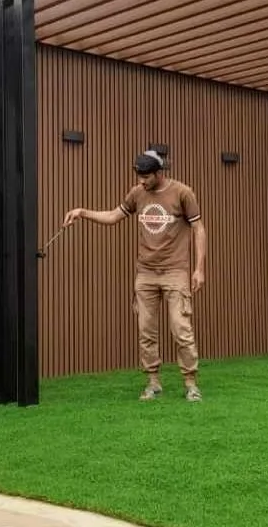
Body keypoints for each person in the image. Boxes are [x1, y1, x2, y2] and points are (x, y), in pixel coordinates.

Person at [63, 149, 207, 402]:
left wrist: (199, 269)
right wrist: (82, 212)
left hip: (175, 271)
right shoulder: (137, 193)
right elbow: (113, 216)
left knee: (181, 329)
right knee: (146, 331)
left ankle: (190, 384)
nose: (141, 181)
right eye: (139, 176)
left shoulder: (183, 192)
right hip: (145, 273)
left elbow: (198, 229)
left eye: (146, 177)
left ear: (159, 173)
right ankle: (153, 383)